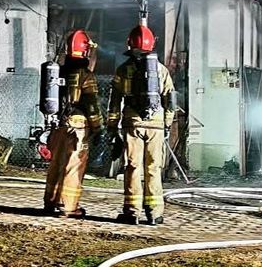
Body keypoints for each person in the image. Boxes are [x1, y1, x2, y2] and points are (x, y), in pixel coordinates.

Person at [106, 20, 175, 225]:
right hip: (156, 124)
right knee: (153, 168)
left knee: (132, 167)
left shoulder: (123, 70)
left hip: (132, 124)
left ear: (130, 44)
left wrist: (112, 126)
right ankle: (154, 213)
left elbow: (115, 99)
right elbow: (170, 99)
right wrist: (167, 125)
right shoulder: (161, 70)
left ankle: (132, 212)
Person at [42, 29, 102, 218]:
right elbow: (91, 104)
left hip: (57, 124)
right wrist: (98, 127)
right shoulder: (86, 75)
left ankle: (50, 202)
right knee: (73, 166)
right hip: (77, 127)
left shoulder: (58, 71)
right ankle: (67, 206)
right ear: (85, 51)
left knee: (56, 164)